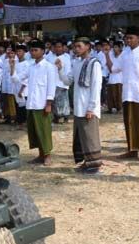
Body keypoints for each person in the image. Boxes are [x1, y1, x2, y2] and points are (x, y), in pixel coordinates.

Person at [57, 37, 103, 173]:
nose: (76, 49)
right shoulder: (76, 63)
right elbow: (67, 81)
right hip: (78, 105)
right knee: (81, 135)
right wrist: (60, 70)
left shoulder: (94, 64)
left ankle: (94, 165)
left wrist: (91, 107)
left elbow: (96, 87)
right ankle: (86, 161)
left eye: (79, 46)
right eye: (75, 47)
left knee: (90, 135)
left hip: (88, 107)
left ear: (88, 46)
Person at [112, 26, 139, 162]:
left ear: (138, 38)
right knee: (129, 122)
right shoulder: (124, 53)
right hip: (127, 94)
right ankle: (132, 150)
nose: (128, 40)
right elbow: (114, 69)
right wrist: (107, 54)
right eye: (127, 38)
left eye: (131, 38)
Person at [14, 40, 57, 165]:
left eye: (36, 50)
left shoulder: (49, 66)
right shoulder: (30, 67)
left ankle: (47, 155)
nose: (33, 52)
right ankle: (40, 154)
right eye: (31, 50)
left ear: (42, 51)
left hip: (42, 103)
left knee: (44, 130)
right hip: (31, 103)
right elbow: (18, 78)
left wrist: (49, 103)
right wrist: (12, 67)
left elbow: (51, 86)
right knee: (34, 131)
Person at [49, 39, 71, 123]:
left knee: (63, 100)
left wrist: (66, 82)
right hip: (53, 82)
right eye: (56, 47)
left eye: (59, 47)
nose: (58, 48)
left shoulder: (66, 57)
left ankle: (64, 116)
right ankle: (57, 116)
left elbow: (68, 71)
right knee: (55, 101)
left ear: (63, 47)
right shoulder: (51, 57)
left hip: (62, 82)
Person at [0, 48, 18, 126]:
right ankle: (7, 117)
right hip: (5, 84)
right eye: (9, 53)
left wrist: (12, 66)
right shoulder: (5, 61)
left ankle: (13, 117)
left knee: (12, 102)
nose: (10, 55)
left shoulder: (17, 61)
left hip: (12, 84)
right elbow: (3, 72)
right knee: (6, 102)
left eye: (12, 53)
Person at [105, 40, 123, 113]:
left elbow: (113, 69)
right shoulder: (111, 55)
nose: (114, 49)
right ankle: (111, 108)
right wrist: (107, 55)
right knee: (110, 94)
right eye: (114, 47)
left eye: (116, 47)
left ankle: (119, 108)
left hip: (120, 79)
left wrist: (107, 56)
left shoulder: (123, 56)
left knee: (118, 94)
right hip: (112, 78)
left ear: (120, 48)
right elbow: (109, 68)